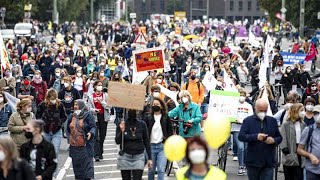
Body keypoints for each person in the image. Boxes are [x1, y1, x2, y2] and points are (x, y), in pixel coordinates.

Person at [238, 98, 282, 180]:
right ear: (255, 108)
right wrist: (256, 137)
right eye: (261, 110)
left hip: (268, 161)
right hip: (253, 161)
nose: (263, 113)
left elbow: (279, 137)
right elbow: (241, 136)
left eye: (265, 110)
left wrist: (273, 140)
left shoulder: (272, 121)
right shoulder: (248, 121)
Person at [115, 109, 152, 180]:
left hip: (138, 156)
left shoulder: (142, 124)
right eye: (129, 109)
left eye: (134, 109)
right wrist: (121, 131)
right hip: (125, 156)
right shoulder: (122, 123)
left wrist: (150, 158)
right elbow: (117, 141)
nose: (132, 110)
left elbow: (146, 141)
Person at [144, 97, 173, 180]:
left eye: (157, 104)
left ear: (161, 106)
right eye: (153, 104)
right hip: (150, 147)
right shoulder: (148, 117)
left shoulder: (165, 117)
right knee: (151, 170)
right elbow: (144, 132)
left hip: (162, 147)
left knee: (161, 169)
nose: (155, 106)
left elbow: (170, 132)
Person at [67, 99, 96, 180]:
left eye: (77, 104)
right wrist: (69, 137)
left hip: (85, 147)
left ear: (81, 106)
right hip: (74, 147)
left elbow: (93, 126)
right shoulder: (72, 116)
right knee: (78, 172)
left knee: (88, 173)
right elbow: (68, 129)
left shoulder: (88, 115)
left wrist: (90, 133)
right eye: (74, 105)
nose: (75, 106)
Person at [36, 88, 67, 157]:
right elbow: (37, 116)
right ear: (48, 97)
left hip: (57, 131)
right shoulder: (42, 105)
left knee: (55, 151)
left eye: (54, 98)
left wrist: (59, 122)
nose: (53, 100)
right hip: (45, 131)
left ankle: (54, 167)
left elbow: (64, 116)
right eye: (51, 98)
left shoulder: (60, 105)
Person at [280, 103, 306, 180]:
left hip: (300, 149)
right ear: (296, 111)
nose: (303, 112)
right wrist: (284, 147)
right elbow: (283, 136)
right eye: (301, 110)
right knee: (289, 174)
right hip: (290, 149)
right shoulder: (286, 124)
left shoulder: (303, 124)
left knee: (299, 175)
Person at [87, 80, 110, 161]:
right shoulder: (90, 96)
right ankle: (96, 154)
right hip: (95, 117)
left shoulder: (105, 95)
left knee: (102, 136)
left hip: (104, 117)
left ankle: (100, 151)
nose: (100, 86)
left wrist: (102, 102)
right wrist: (94, 110)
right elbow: (88, 108)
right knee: (96, 136)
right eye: (98, 85)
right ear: (95, 87)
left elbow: (109, 106)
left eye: (101, 85)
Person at [232, 90, 253, 176]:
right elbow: (231, 115)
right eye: (240, 95)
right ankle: (241, 166)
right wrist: (235, 119)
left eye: (243, 95)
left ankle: (244, 164)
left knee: (246, 148)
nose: (242, 97)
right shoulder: (233, 105)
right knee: (241, 147)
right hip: (236, 129)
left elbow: (251, 117)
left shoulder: (248, 106)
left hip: (246, 130)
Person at [297, 105, 320, 179]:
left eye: (319, 113)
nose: (317, 116)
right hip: (311, 170)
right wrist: (310, 155)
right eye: (315, 113)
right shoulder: (308, 130)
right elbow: (299, 149)